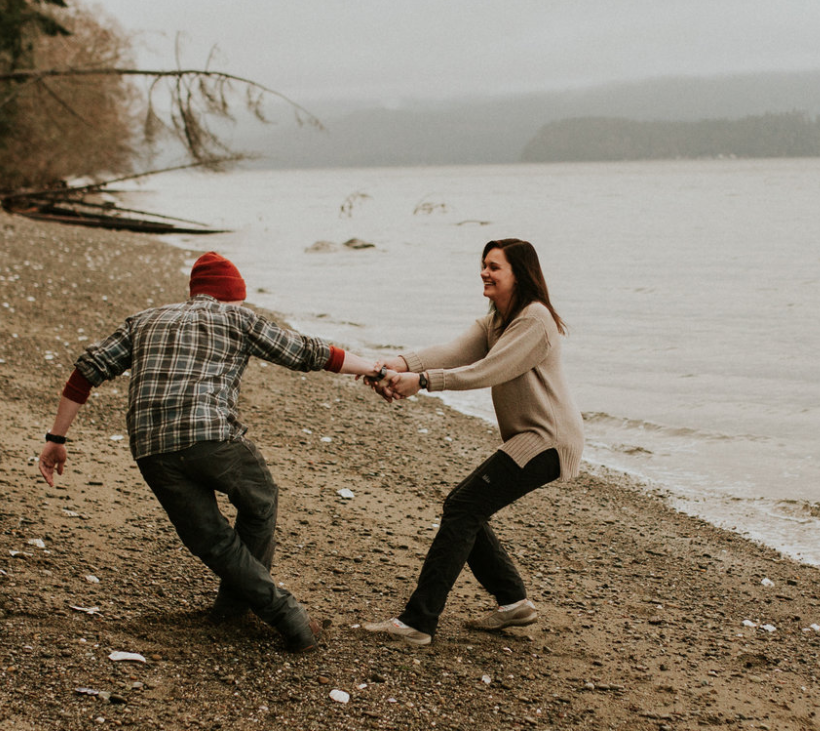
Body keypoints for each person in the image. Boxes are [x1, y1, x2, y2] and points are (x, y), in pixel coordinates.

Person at [37, 251, 384, 652]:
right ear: (230, 297)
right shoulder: (238, 318)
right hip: (212, 438)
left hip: (151, 449)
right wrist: (374, 368)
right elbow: (308, 352)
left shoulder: (144, 320)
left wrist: (57, 439)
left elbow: (86, 371)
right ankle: (283, 616)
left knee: (214, 541)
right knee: (261, 501)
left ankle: (237, 610)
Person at [361, 238, 584, 646]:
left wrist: (422, 383)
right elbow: (454, 351)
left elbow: (487, 370)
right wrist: (400, 364)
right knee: (465, 506)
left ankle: (418, 622)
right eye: (484, 264)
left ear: (519, 273)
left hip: (548, 441)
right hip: (531, 439)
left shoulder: (535, 319)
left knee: (463, 507)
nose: (485, 272)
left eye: (495, 267)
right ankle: (513, 603)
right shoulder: (496, 320)